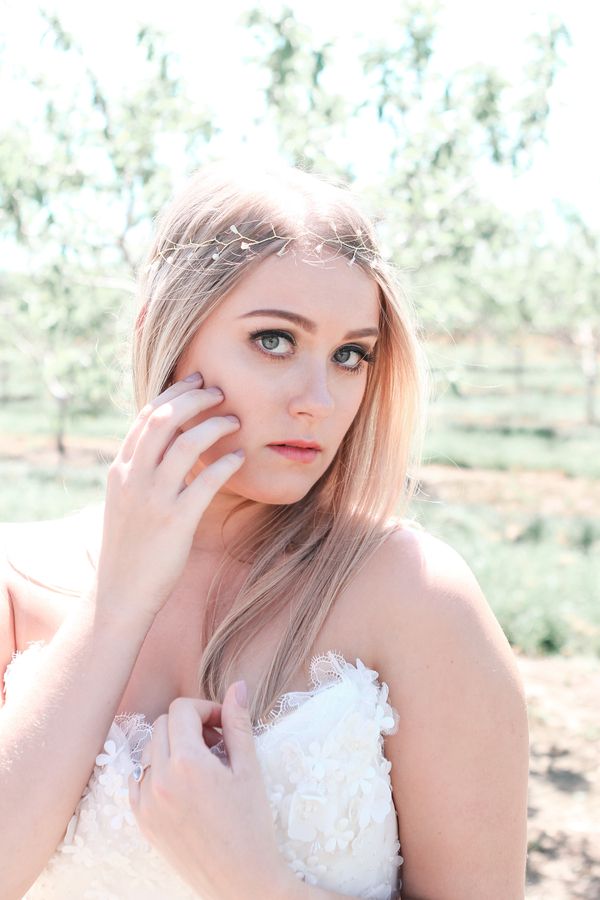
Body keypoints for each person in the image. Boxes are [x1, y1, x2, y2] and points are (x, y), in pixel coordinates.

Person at [0, 160, 529, 899]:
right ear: (167, 334)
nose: (318, 400)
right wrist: (118, 602)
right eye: (275, 341)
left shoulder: (417, 598)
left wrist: (254, 879)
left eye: (350, 355)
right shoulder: (17, 582)